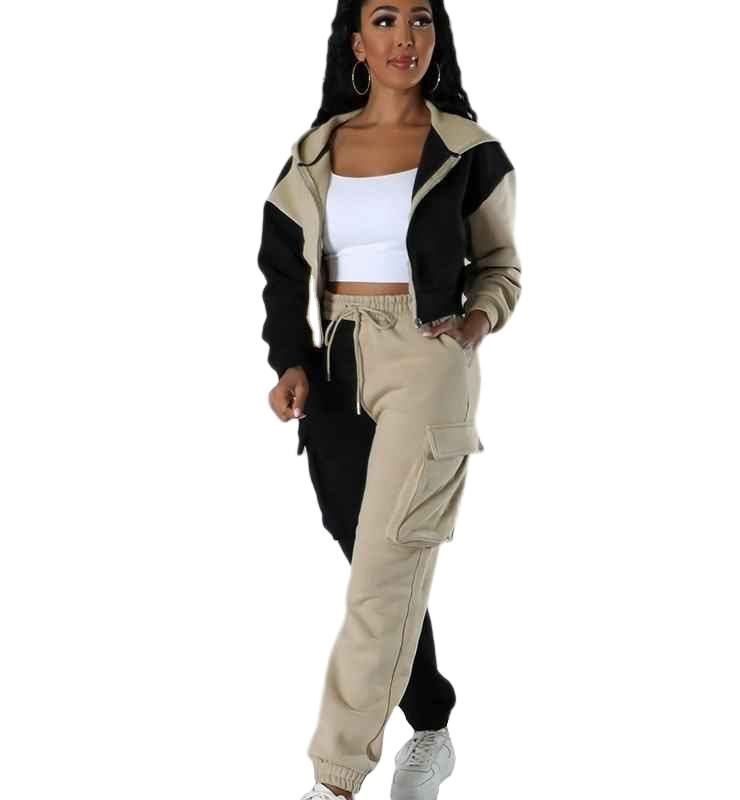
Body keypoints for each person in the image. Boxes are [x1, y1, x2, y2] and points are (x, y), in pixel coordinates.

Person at [256, 2, 521, 797]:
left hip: (427, 360)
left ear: (436, 36)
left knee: (383, 571)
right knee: (371, 557)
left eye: (420, 19)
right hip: (337, 360)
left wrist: (477, 320)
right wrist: (290, 359)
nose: (405, 37)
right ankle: (431, 723)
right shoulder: (315, 152)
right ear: (356, 43)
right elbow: (281, 269)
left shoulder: (468, 150)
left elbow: (502, 264)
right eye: (384, 19)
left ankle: (333, 779)